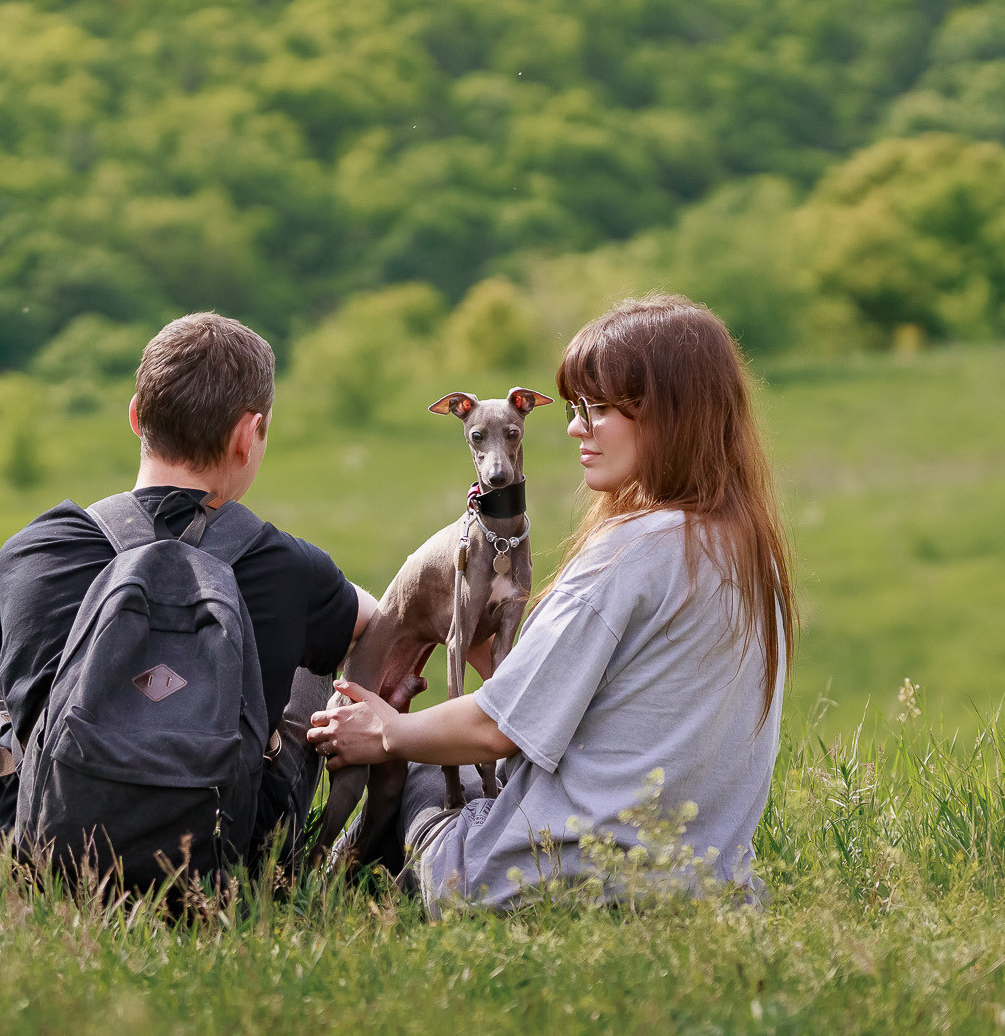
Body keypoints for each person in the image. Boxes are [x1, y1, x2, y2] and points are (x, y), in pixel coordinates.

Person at [307, 294, 797, 915]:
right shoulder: (752, 555)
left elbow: (493, 732)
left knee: (426, 776)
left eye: (595, 409)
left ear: (668, 415)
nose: (573, 428)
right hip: (703, 888)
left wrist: (387, 729)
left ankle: (318, 891)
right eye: (572, 409)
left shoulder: (627, 556)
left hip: (548, 883)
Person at [0, 312, 379, 867]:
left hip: (57, 855)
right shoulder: (289, 568)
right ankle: (300, 858)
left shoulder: (36, 551)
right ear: (247, 435)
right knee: (315, 654)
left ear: (137, 416)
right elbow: (375, 622)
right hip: (223, 863)